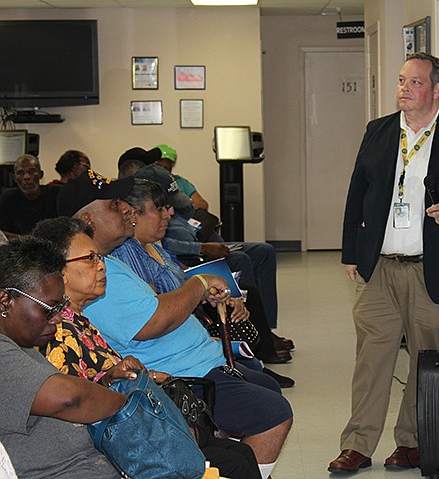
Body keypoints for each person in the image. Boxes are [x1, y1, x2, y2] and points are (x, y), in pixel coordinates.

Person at [56, 169, 292, 479]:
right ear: (88, 221)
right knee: (274, 413)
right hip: (182, 373)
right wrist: (199, 283)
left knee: (267, 387)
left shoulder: (109, 262)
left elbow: (159, 304)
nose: (126, 208)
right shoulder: (96, 275)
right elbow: (154, 320)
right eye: (115, 205)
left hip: (197, 360)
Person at [329, 52, 439, 474]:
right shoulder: (379, 131)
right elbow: (357, 192)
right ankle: (357, 444)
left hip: (431, 267)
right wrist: (351, 251)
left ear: (436, 89)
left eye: (415, 82)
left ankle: (412, 441)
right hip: (380, 266)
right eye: (401, 80)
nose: (404, 89)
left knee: (427, 357)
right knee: (372, 358)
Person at [32, 217, 262, 479]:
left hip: (136, 421)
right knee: (235, 462)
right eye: (90, 259)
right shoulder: (57, 331)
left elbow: (104, 380)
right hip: (121, 441)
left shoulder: (80, 319)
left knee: (241, 455)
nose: (101, 266)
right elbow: (80, 407)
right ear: (59, 270)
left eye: (100, 258)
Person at [111, 178, 294, 385]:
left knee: (243, 301)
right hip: (179, 341)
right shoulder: (127, 252)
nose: (169, 214)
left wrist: (215, 295)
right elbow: (156, 310)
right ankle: (256, 363)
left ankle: (259, 359)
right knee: (260, 381)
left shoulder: (153, 246)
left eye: (168, 208)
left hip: (190, 325)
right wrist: (201, 290)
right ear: (134, 214)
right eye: (160, 209)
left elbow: (181, 284)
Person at [0, 236, 125, 478]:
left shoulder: (21, 345)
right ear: (5, 300)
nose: (57, 318)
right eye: (49, 309)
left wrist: (104, 383)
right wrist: (131, 406)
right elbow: (70, 399)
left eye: (61, 308)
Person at [0, 155, 61, 235]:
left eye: (31, 172)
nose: (26, 177)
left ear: (41, 174)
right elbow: (2, 234)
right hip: (20, 246)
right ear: (14, 178)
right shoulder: (8, 199)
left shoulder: (55, 194)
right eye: (20, 173)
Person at [153, 144, 210, 210]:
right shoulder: (148, 183)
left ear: (172, 166)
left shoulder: (180, 181)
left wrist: (189, 206)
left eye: (166, 167)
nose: (162, 170)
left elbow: (203, 204)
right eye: (159, 166)